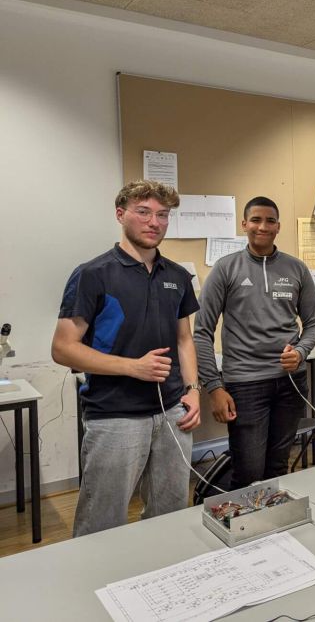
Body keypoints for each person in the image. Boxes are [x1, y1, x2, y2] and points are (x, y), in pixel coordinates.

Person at [51, 180, 201, 536]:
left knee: (169, 515)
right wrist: (133, 367)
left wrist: (193, 390)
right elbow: (63, 348)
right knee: (102, 523)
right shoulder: (92, 274)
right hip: (115, 415)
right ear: (121, 214)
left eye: (162, 215)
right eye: (143, 212)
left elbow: (184, 339)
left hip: (171, 413)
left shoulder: (178, 276)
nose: (154, 222)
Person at [194, 196, 315, 489]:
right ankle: (245, 519)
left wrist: (301, 352)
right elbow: (201, 331)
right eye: (256, 220)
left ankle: (275, 519)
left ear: (278, 226)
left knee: (278, 468)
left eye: (270, 221)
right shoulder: (226, 268)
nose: (263, 227)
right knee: (248, 471)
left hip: (290, 383)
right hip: (245, 384)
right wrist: (214, 387)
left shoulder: (297, 269)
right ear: (244, 224)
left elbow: (313, 323)